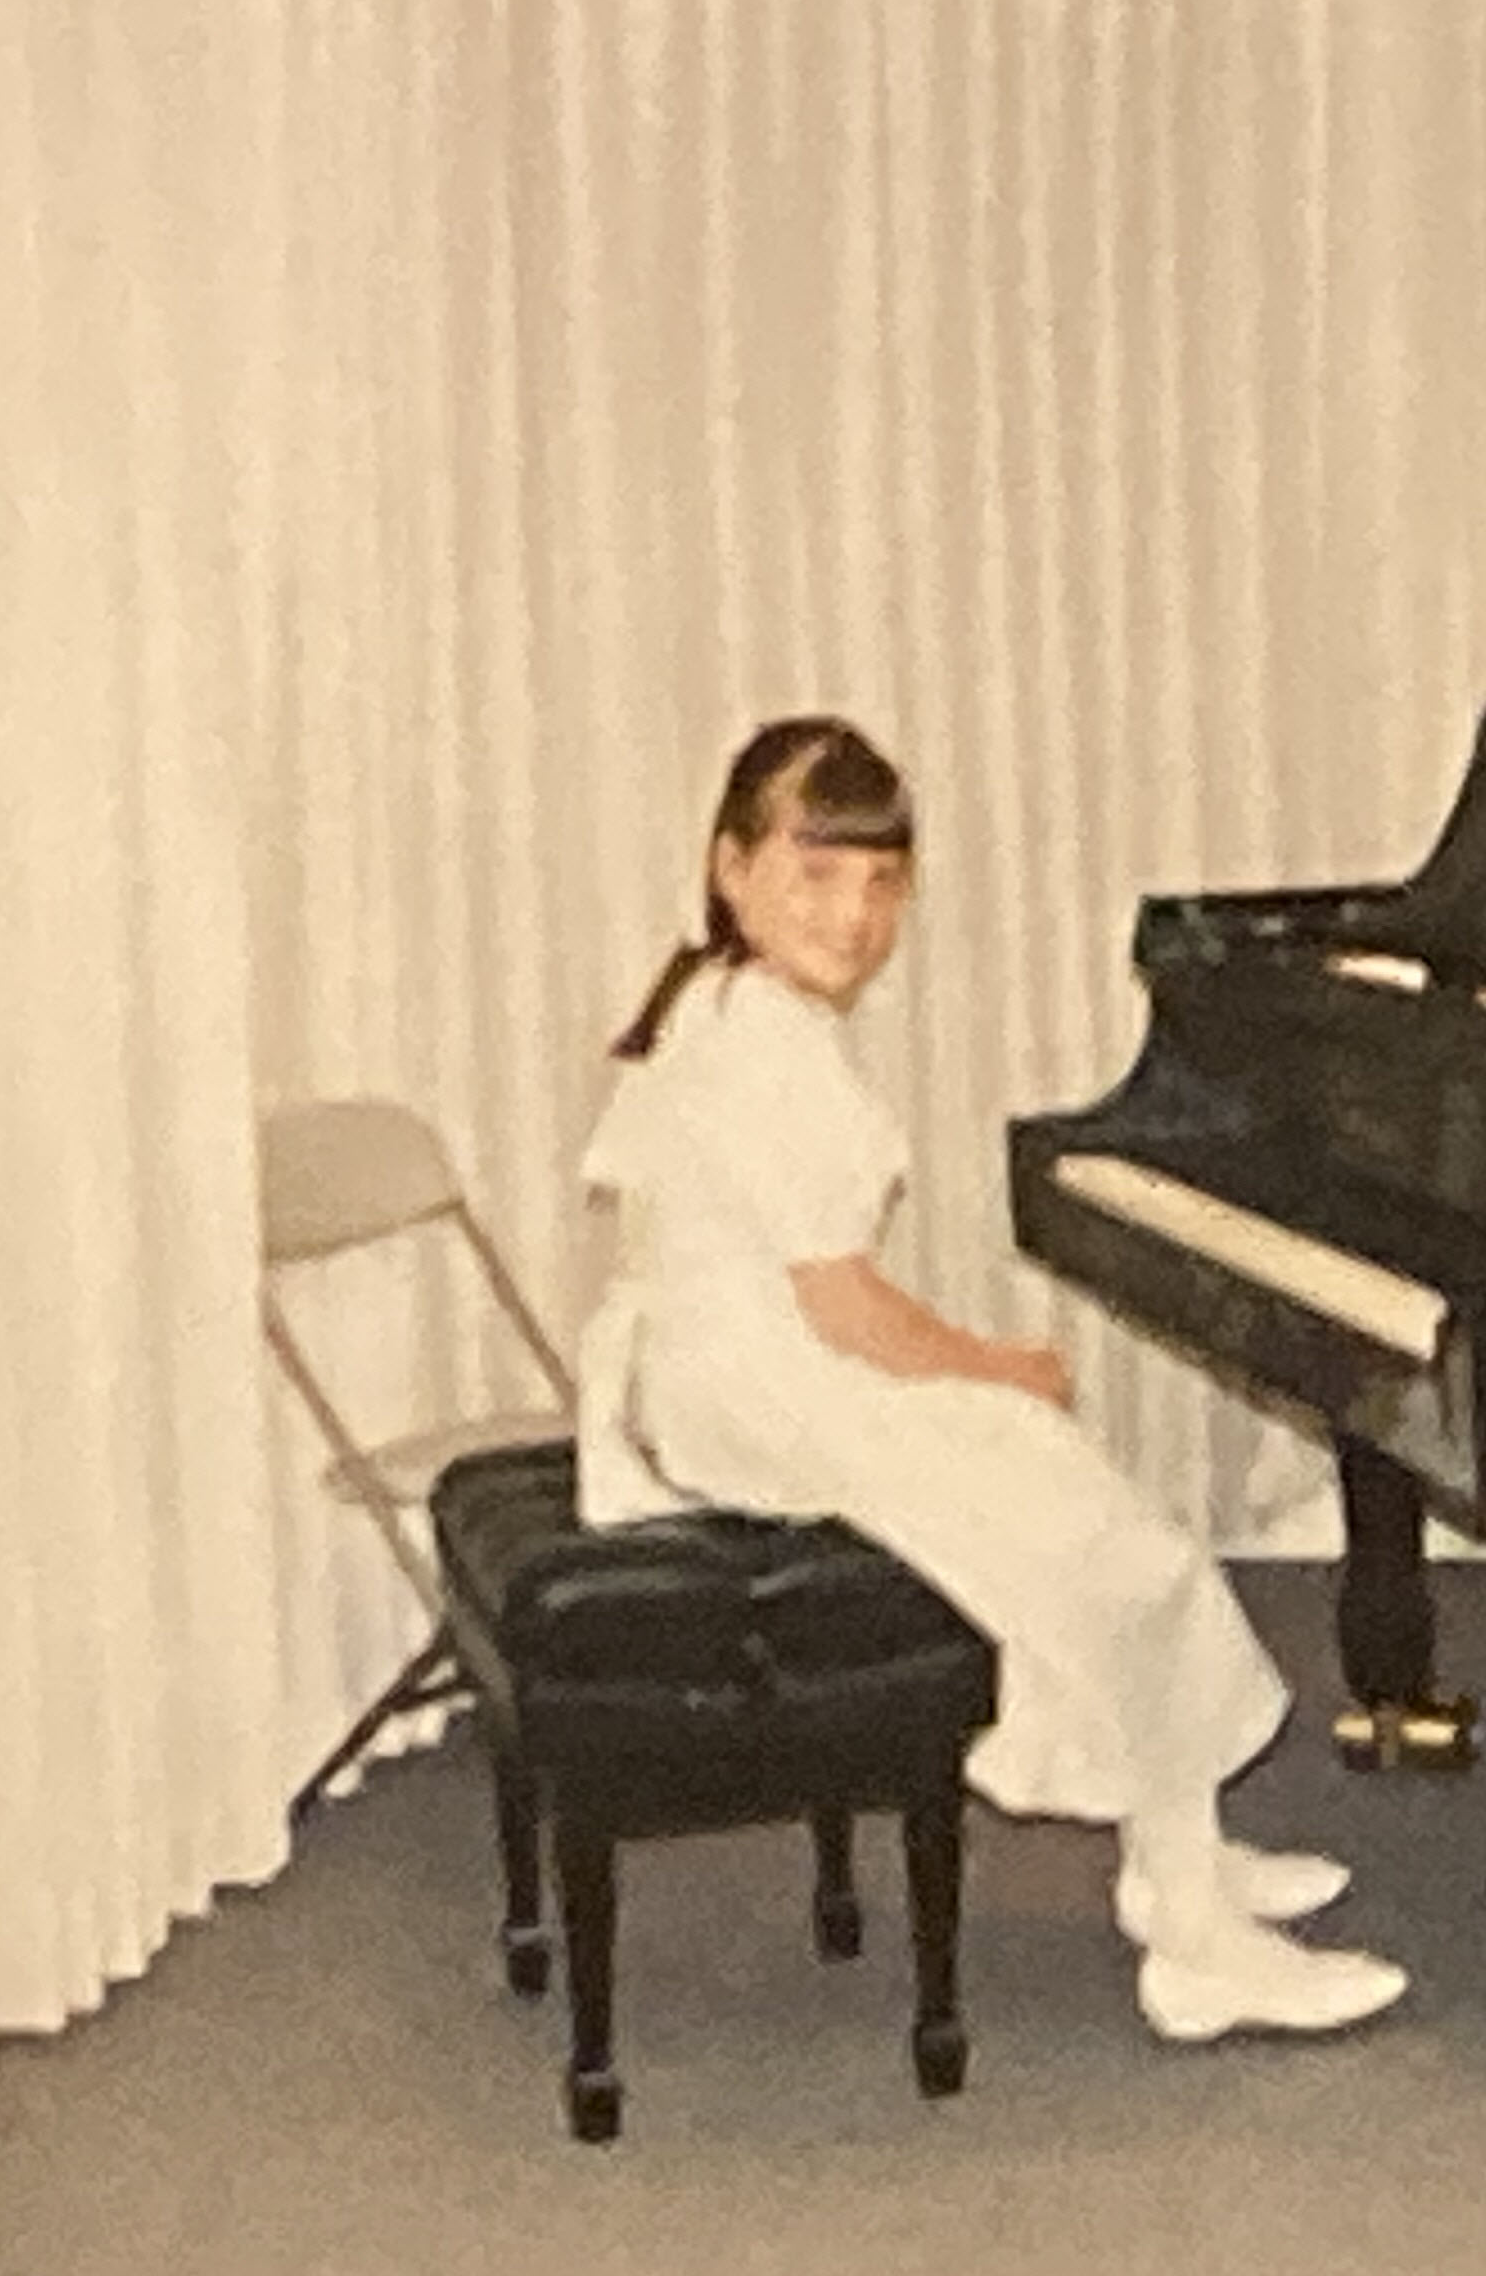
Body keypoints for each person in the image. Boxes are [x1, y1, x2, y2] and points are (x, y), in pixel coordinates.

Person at [573, 715, 1406, 2043]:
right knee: (1119, 1549)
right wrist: (998, 1369)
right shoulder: (764, 1040)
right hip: (765, 1391)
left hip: (725, 1375)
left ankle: (1168, 1845)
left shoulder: (725, 1001)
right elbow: (846, 1310)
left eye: (881, 882)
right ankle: (1193, 1939)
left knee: (1087, 1519)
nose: (855, 917)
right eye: (817, 876)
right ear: (730, 870)